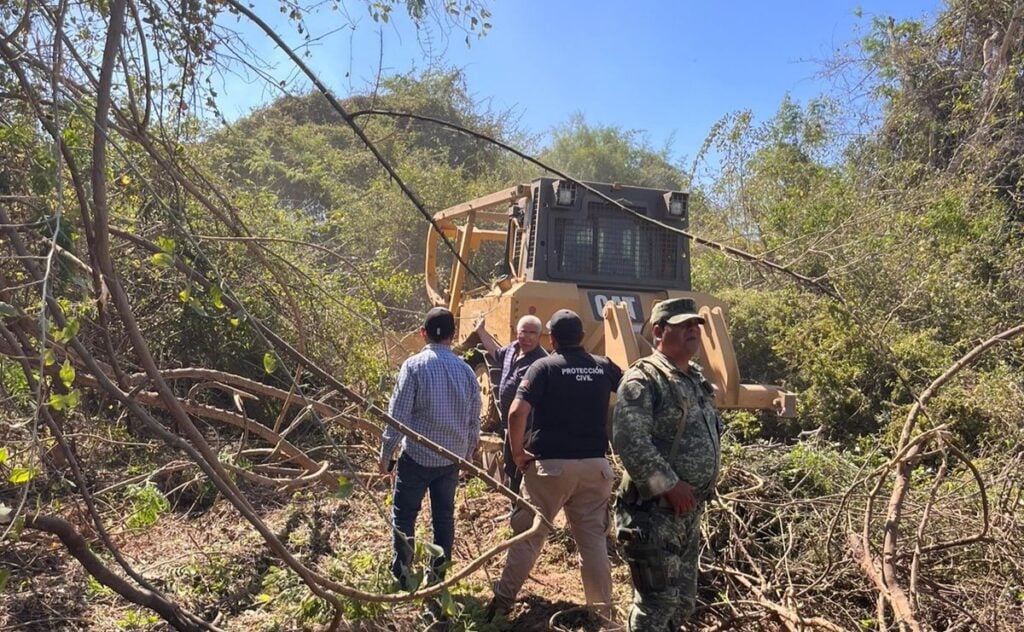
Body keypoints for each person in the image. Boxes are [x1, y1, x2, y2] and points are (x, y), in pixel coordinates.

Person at [488, 309, 623, 619]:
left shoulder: (543, 367)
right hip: (595, 468)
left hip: (550, 469)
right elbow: (631, 392)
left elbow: (516, 413)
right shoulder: (603, 366)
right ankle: (603, 615)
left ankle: (502, 605)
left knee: (528, 537)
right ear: (582, 336)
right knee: (593, 543)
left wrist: (518, 452)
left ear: (551, 338)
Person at [612, 298, 723, 631]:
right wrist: (670, 485)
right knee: (657, 605)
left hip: (687, 514)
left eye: (696, 326)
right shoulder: (644, 379)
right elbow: (630, 442)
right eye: (683, 326)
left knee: (683, 603)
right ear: (659, 331)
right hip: (654, 514)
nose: (693, 330)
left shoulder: (694, 379)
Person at [380, 307, 481, 589]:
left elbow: (396, 417)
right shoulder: (466, 372)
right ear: (453, 335)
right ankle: (438, 578)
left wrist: (386, 456)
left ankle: (402, 575)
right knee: (443, 519)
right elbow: (474, 421)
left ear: (423, 333)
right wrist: (468, 455)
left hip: (416, 458)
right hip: (449, 461)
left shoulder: (413, 366)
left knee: (404, 515)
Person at [474, 314, 547, 495]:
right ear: (517, 332)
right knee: (511, 469)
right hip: (510, 426)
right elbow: (496, 353)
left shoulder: (541, 363)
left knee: (524, 470)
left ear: (539, 336)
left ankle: (524, 511)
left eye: (533, 333)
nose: (528, 337)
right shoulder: (512, 350)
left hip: (527, 427)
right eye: (524, 332)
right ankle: (513, 508)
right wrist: (481, 332)